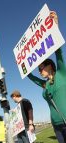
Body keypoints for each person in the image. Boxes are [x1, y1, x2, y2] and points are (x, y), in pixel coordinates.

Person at [28, 11, 66, 143]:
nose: (39, 71)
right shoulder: (45, 84)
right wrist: (23, 67)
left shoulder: (62, 73)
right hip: (56, 126)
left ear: (50, 66)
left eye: (41, 68)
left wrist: (55, 25)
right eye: (38, 69)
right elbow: (31, 78)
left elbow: (59, 52)